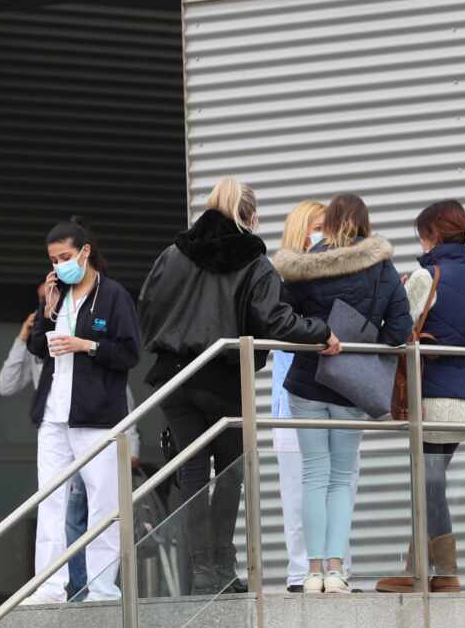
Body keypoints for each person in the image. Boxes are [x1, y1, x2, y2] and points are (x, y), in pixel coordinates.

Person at [138, 177, 340, 595]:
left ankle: (201, 572)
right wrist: (321, 332)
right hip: (226, 378)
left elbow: (148, 308)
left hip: (176, 377)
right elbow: (277, 321)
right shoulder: (253, 261)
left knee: (193, 473)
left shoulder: (171, 255)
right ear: (250, 216)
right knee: (230, 473)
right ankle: (221, 565)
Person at [275, 193, 412, 594]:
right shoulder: (381, 268)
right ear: (365, 225)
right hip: (351, 386)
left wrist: (320, 334)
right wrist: (366, 339)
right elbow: (399, 330)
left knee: (313, 477)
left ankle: (312, 571)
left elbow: (285, 320)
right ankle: (336, 570)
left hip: (306, 383)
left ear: (329, 224)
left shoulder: (304, 267)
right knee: (340, 479)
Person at [375, 199, 465, 593]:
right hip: (464, 402)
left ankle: (436, 573)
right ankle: (428, 568)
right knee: (432, 482)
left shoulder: (428, 277)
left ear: (431, 236)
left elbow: (397, 324)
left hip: (430, 397)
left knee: (429, 482)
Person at [23, 218, 141, 603]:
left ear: (86, 252)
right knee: (50, 499)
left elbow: (129, 353)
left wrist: (86, 344)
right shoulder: (57, 295)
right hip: (54, 413)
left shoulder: (113, 296)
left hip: (96, 414)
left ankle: (103, 586)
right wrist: (49, 309)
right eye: (54, 259)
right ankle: (49, 585)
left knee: (103, 500)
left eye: (66, 257)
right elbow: (38, 347)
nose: (59, 265)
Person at [0, 291, 139, 600]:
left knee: (95, 509)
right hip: (56, 432)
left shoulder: (88, 333)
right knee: (62, 510)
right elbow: (6, 384)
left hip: (91, 427)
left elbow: (122, 395)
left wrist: (132, 444)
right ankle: (69, 585)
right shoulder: (40, 347)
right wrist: (23, 338)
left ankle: (96, 585)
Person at [273, 200, 357, 592]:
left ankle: (338, 570)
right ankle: (300, 573)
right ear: (301, 231)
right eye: (318, 226)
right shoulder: (287, 278)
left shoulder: (344, 271)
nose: (326, 233)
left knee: (340, 482)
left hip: (339, 389)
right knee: (299, 489)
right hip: (294, 397)